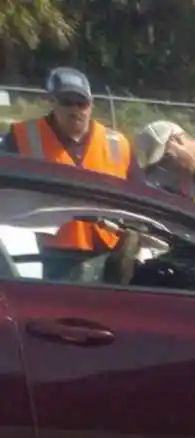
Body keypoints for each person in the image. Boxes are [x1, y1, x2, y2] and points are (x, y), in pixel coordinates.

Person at [2, 68, 133, 280]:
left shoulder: (118, 144)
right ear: (52, 102)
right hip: (56, 253)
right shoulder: (22, 138)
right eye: (67, 102)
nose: (75, 110)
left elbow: (140, 194)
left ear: (91, 105)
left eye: (82, 103)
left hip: (111, 253)